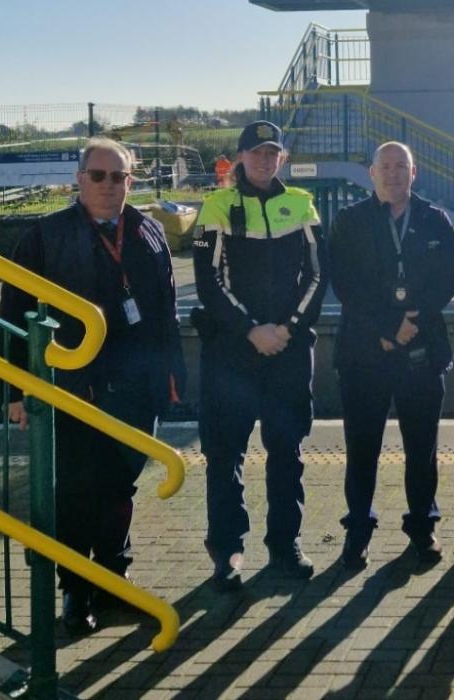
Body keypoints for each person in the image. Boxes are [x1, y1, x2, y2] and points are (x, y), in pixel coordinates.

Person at [0, 138, 185, 634]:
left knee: (120, 485)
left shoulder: (148, 230)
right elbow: (13, 314)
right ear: (79, 180)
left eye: (119, 177)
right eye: (99, 176)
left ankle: (113, 582)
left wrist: (171, 379)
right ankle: (74, 591)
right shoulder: (44, 235)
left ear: (132, 180)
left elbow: (166, 312)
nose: (109, 186)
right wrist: (14, 391)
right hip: (76, 386)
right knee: (79, 491)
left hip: (138, 385)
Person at [192, 120, 328, 591]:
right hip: (232, 351)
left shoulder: (302, 206)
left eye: (273, 153)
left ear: (282, 159)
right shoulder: (216, 207)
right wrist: (251, 330)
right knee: (224, 454)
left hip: (287, 350)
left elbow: (316, 278)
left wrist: (286, 330)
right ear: (241, 157)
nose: (265, 160)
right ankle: (227, 551)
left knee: (286, 452)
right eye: (256, 152)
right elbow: (209, 284)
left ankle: (285, 545)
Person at [328, 142, 454, 569]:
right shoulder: (349, 222)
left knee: (421, 448)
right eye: (384, 166)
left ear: (414, 172)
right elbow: (344, 284)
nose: (393, 173)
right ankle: (358, 532)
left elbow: (447, 280)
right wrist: (387, 329)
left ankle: (422, 527)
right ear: (371, 173)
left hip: (421, 349)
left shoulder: (435, 220)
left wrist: (411, 323)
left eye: (401, 166)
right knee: (362, 447)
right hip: (363, 353)